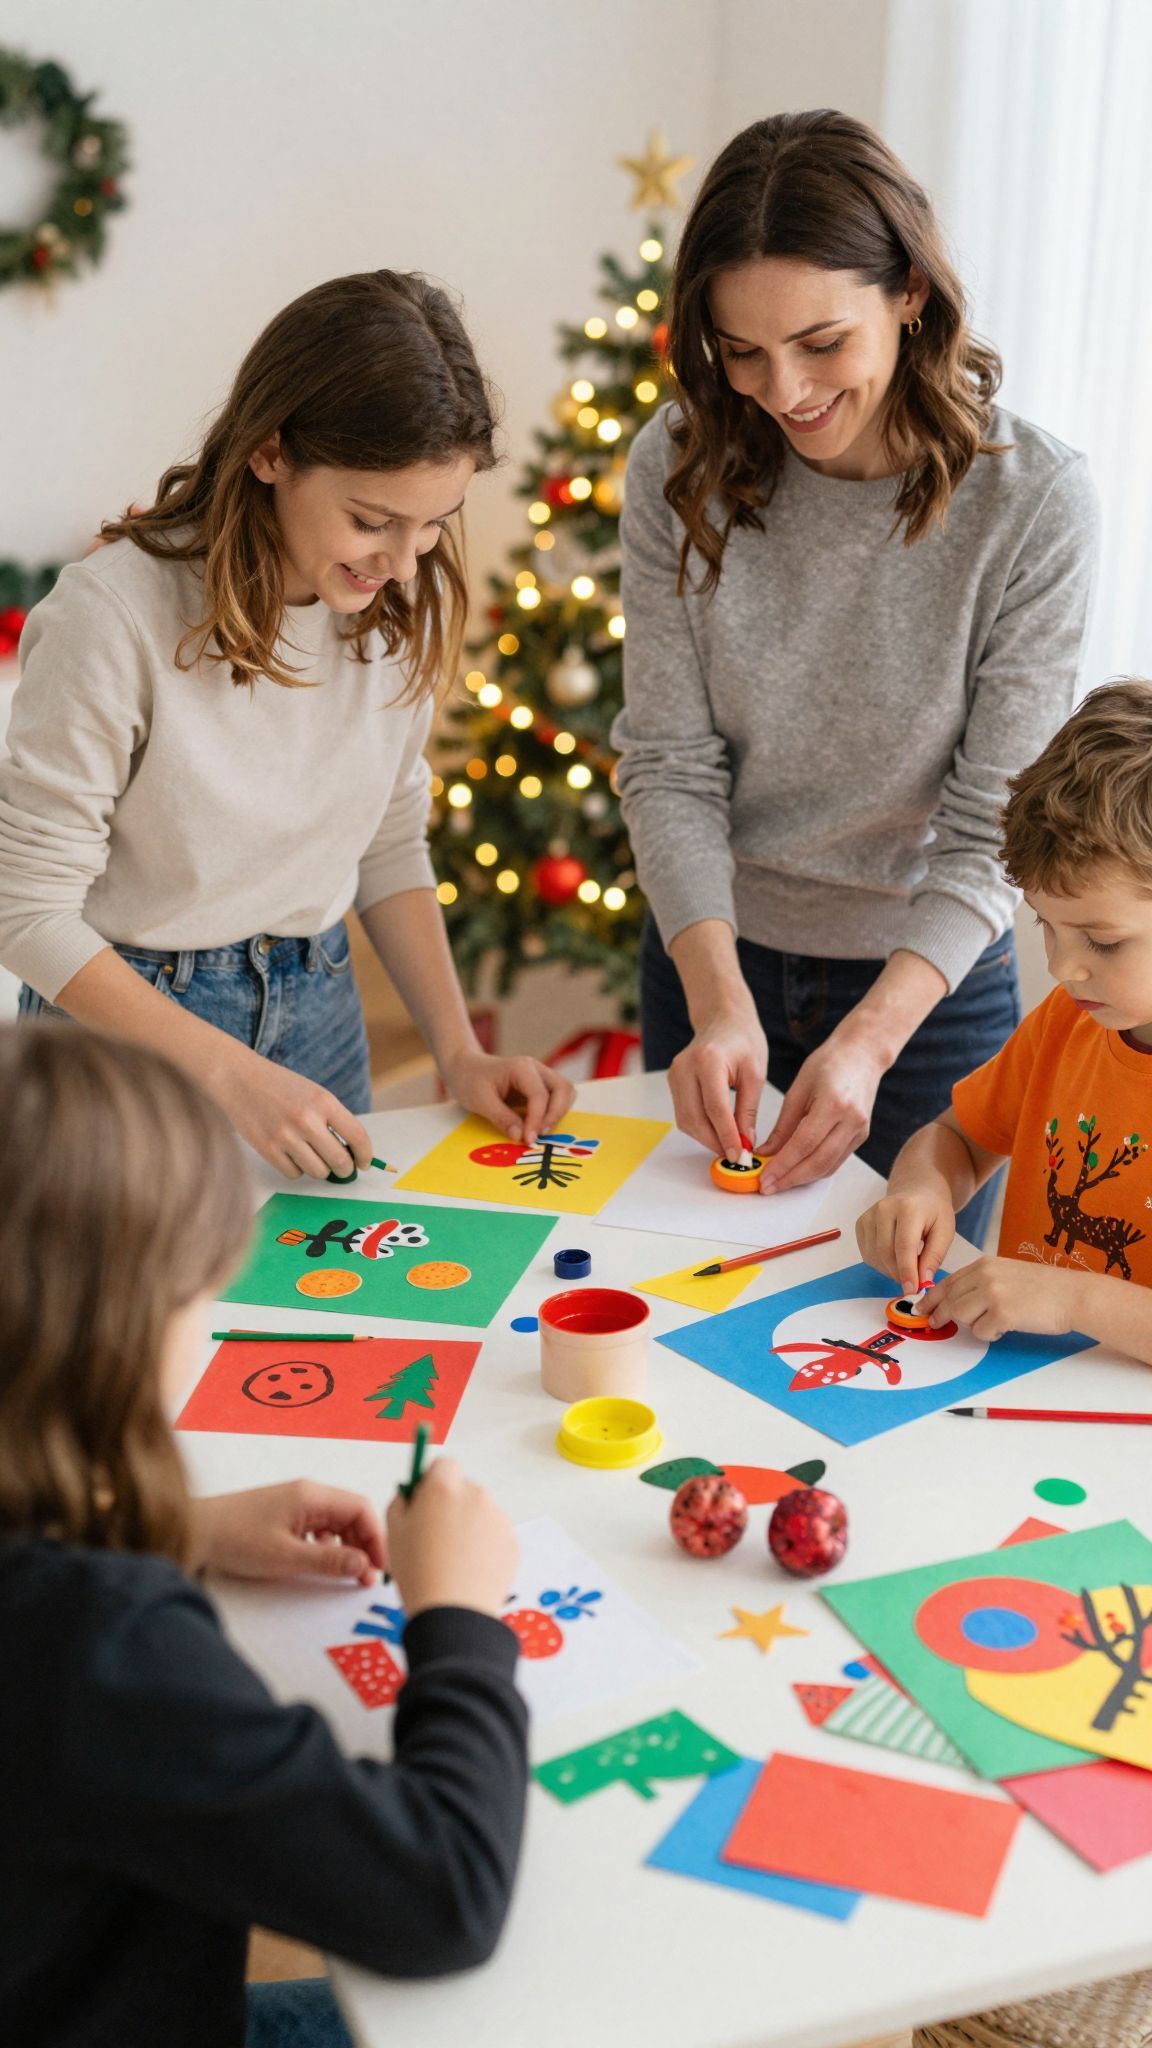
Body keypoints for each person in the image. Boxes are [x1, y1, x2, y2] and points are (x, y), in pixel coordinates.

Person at [612, 109, 1097, 1245]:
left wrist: (874, 1038)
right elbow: (672, 765)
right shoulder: (676, 465)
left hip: (925, 989)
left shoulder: (1033, 505)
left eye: (821, 342)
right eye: (742, 351)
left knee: (909, 1335)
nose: (782, 391)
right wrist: (716, 999)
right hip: (710, 949)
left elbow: (994, 823)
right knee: (692, 1289)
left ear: (911, 291)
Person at [0, 1022, 527, 2048]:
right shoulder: (104, 1648)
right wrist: (458, 1617)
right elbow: (442, 1892)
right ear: (132, 1320)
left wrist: (178, 1526)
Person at [0, 270, 573, 1181]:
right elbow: (26, 910)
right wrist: (236, 1077)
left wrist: (458, 1051)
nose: (403, 562)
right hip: (127, 1037)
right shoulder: (112, 616)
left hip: (321, 1008)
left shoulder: (391, 608)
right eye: (372, 520)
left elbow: (388, 844)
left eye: (433, 525)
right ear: (271, 451)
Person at [858, 681, 1152, 1363]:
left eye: (1102, 942)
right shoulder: (1070, 1022)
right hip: (1014, 1402)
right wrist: (921, 1188)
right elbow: (957, 1139)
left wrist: (1073, 1299)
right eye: (1046, 927)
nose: (1062, 969)